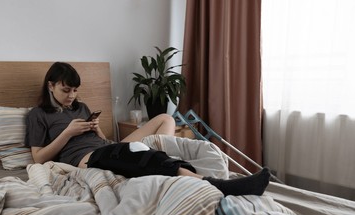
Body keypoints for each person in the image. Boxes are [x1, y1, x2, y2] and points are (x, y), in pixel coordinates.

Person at [25, 62, 270, 197]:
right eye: (66, 90)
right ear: (51, 86)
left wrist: (96, 131)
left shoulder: (81, 107)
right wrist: (68, 132)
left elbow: (101, 140)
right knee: (138, 157)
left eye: (75, 90)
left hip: (105, 147)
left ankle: (154, 158)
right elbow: (38, 157)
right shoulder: (38, 115)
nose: (72, 95)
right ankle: (214, 184)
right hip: (84, 158)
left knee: (164, 118)